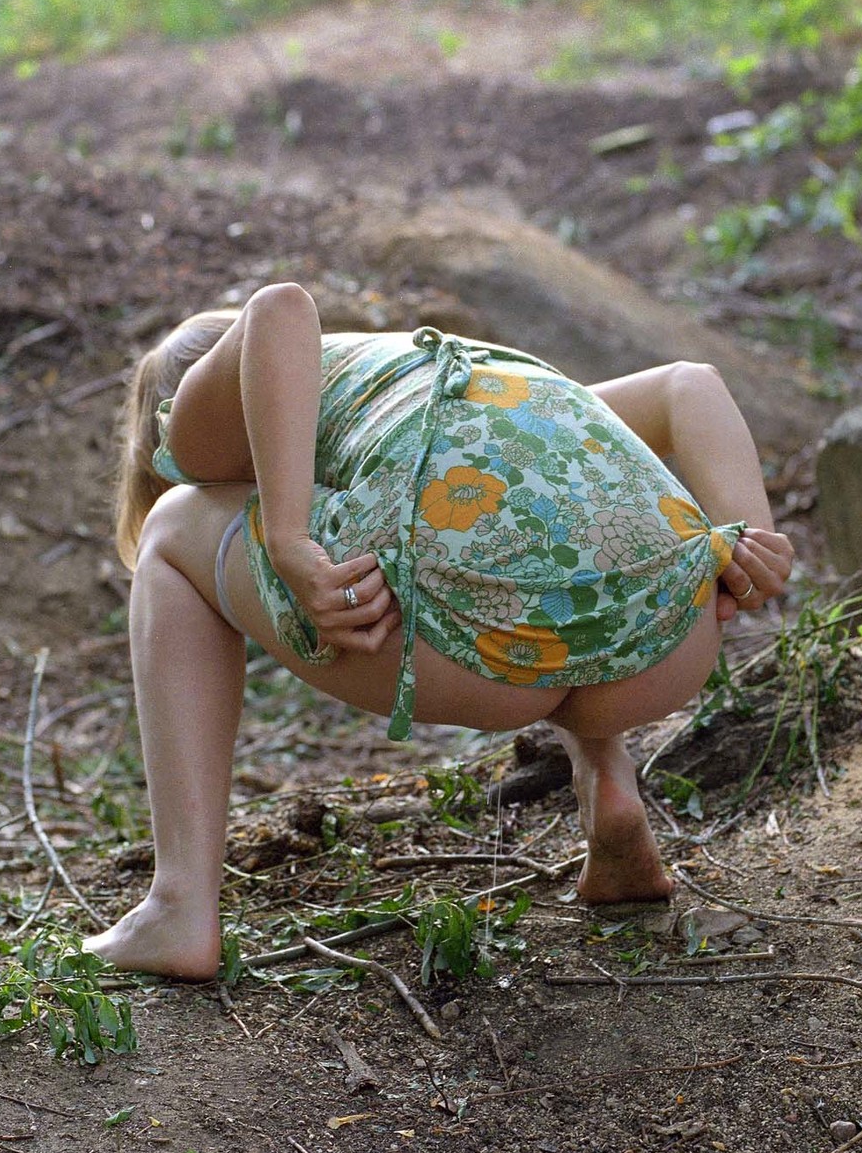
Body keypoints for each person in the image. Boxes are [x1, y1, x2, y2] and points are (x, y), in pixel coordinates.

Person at [86, 282, 795, 980]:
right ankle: (609, 786)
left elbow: (278, 309)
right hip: (667, 644)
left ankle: (179, 905)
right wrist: (752, 537)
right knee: (538, 535)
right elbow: (688, 384)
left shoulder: (204, 411)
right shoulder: (445, 382)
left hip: (464, 660)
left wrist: (290, 540)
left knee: (174, 526)